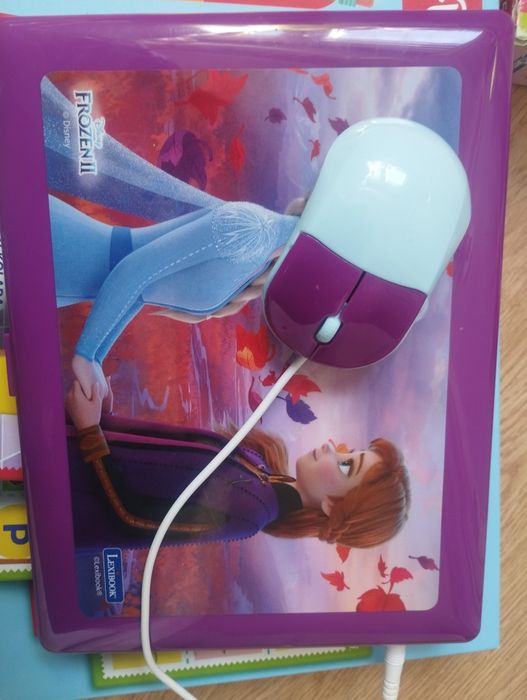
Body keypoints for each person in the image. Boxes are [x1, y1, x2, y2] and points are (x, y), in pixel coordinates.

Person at [43, 77, 299, 397]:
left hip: (69, 275)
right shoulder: (251, 230)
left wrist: (95, 358)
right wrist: (86, 353)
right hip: (63, 251)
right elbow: (133, 272)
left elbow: (140, 289)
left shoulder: (266, 252)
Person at [65, 379, 411, 549]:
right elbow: (158, 462)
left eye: (347, 466)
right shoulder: (259, 470)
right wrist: (104, 420)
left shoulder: (251, 511)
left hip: (61, 495)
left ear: (333, 506)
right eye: (349, 452)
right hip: (70, 453)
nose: (333, 448)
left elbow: (134, 519)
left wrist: (91, 432)